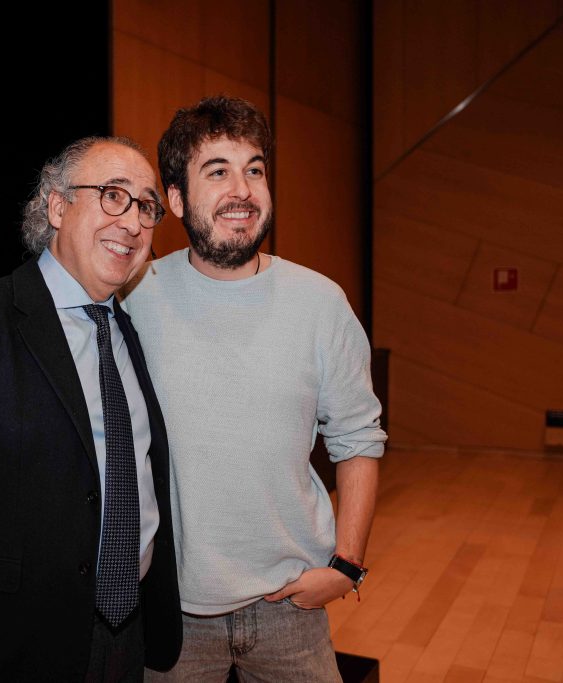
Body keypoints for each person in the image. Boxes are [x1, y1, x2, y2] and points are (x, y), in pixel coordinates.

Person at [0, 136, 182, 683]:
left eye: (146, 206)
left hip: (129, 631)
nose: (132, 222)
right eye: (113, 195)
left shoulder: (126, 330)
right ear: (57, 206)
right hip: (15, 644)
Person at [122, 95, 386, 683]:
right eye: (217, 171)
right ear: (176, 199)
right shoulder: (136, 297)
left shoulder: (321, 303)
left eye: (255, 169)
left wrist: (347, 565)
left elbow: (358, 439)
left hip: (292, 605)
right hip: (174, 611)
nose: (242, 190)